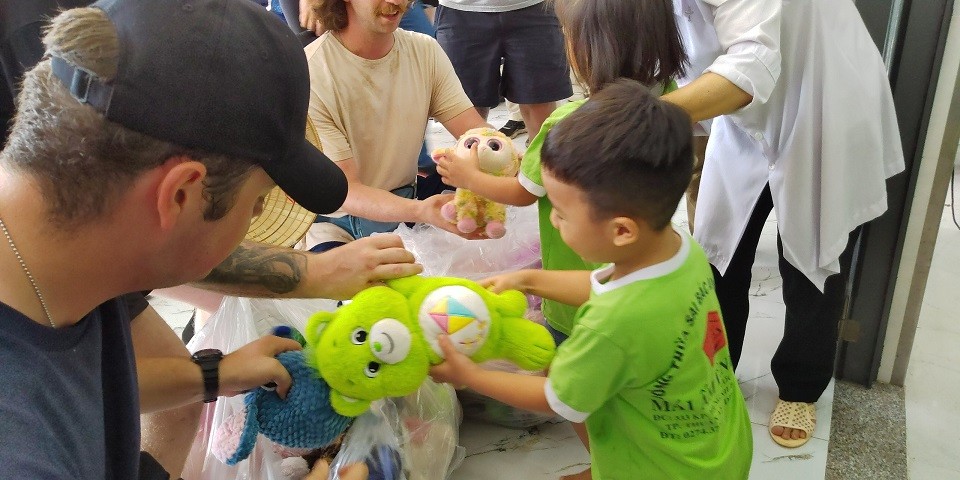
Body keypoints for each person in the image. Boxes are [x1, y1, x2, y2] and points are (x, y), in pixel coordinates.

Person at [0, 0, 408, 477]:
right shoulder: (25, 451)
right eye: (258, 203)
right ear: (180, 195)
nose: (254, 220)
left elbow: (93, 385)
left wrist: (216, 374)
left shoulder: (66, 263)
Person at [430, 79, 753, 480]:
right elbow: (604, 287)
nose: (551, 219)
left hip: (660, 468)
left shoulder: (608, 328)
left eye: (562, 213)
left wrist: (471, 376)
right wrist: (528, 280)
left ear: (621, 231)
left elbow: (557, 399)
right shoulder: (680, 251)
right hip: (716, 443)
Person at [661, 0, 905, 447]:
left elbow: (752, 60)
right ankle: (715, 369)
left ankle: (800, 385)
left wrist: (647, 117)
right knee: (718, 254)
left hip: (822, 100)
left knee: (813, 258)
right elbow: (695, 59)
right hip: (740, 114)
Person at [304, 0, 490, 247]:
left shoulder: (424, 50)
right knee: (356, 283)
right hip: (340, 224)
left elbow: (477, 133)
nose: (396, 2)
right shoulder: (313, 71)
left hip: (408, 201)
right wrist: (419, 211)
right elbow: (345, 190)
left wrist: (518, 165)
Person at [434, 0, 570, 141]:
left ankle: (538, 162)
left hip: (534, 7)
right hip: (459, 11)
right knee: (469, 109)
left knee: (540, 103)